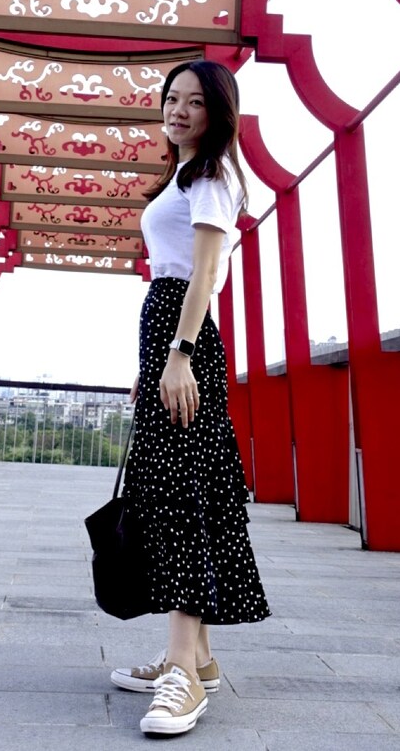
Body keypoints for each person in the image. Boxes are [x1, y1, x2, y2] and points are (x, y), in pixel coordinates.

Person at [110, 59, 270, 737]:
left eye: (194, 101)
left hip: (185, 334)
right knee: (175, 489)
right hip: (168, 332)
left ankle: (184, 675)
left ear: (218, 111)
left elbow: (204, 272)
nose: (178, 110)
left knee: (181, 494)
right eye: (171, 98)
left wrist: (179, 355)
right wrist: (151, 365)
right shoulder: (181, 176)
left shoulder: (211, 177)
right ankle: (196, 658)